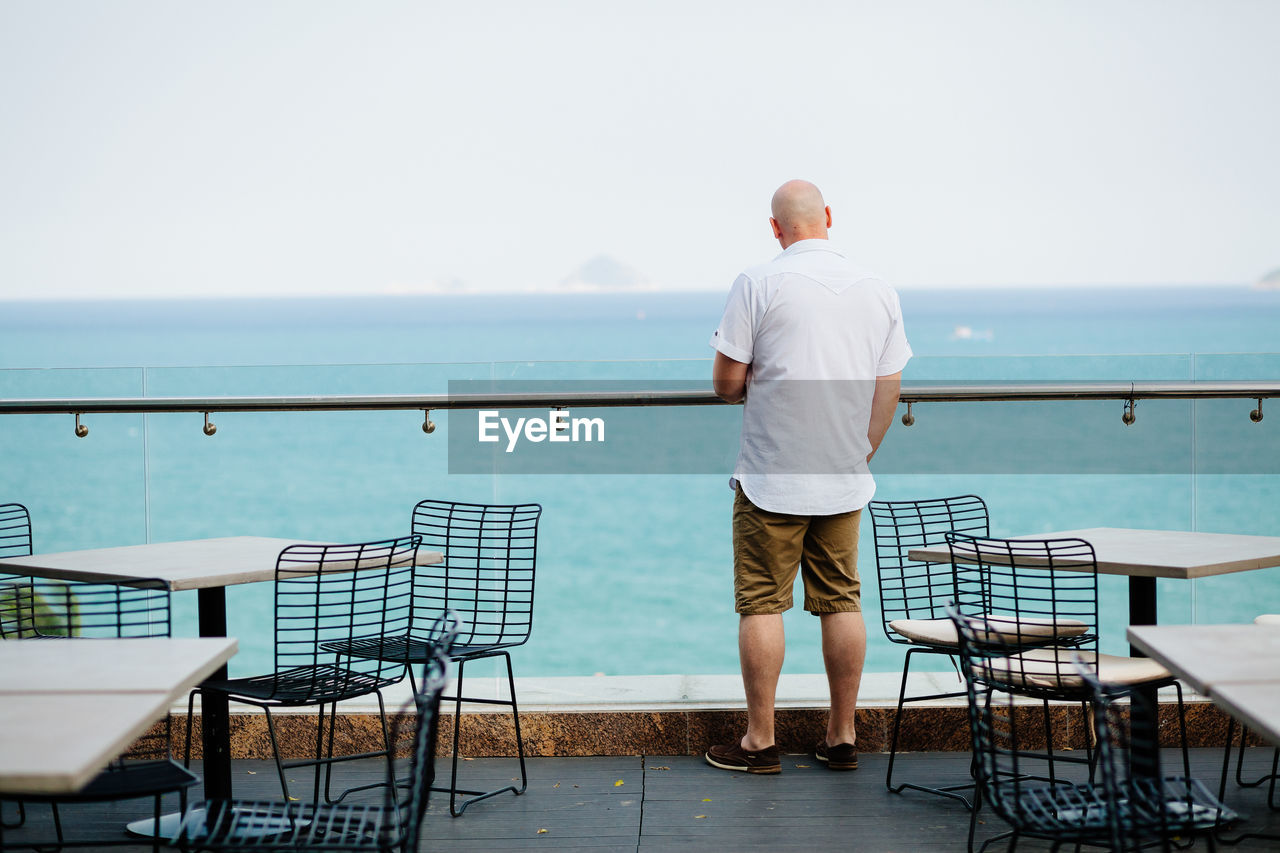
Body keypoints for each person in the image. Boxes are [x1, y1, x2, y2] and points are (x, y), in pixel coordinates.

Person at [705, 179, 911, 775]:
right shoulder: (878, 289)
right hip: (843, 473)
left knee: (763, 604)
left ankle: (760, 742)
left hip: (772, 475)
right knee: (842, 599)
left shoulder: (759, 283)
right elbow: (888, 382)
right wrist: (861, 449)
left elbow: (725, 384)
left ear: (776, 229)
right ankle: (841, 737)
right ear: (828, 217)